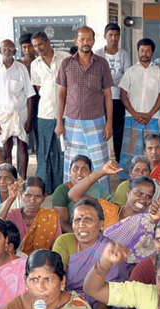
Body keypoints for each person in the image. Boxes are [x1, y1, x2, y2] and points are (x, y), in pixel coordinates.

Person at [57, 26, 115, 191]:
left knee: (100, 164)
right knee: (73, 165)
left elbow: (108, 94)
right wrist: (59, 122)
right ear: (76, 41)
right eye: (82, 39)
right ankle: (71, 199)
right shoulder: (66, 63)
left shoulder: (101, 63)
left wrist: (109, 123)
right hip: (72, 123)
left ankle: (103, 199)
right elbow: (61, 94)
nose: (86, 42)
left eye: (89, 39)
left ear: (94, 41)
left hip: (97, 122)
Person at [69, 167, 160, 264]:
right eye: (139, 193)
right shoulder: (107, 209)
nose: (143, 200)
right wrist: (102, 171)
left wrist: (156, 220)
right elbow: (74, 195)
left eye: (148, 197)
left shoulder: (148, 223)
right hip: (96, 265)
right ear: (128, 192)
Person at [118, 38, 160, 176]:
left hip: (152, 118)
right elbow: (123, 94)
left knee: (153, 151)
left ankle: (153, 177)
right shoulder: (130, 71)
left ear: (152, 52)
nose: (144, 53)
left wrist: (150, 114)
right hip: (132, 117)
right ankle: (127, 179)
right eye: (142, 50)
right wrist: (134, 113)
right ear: (138, 51)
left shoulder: (158, 72)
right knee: (131, 150)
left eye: (148, 51)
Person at [0, 39, 35, 180]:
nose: (7, 51)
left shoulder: (21, 69)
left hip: (20, 113)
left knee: (22, 146)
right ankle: (8, 177)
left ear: (15, 52)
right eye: (4, 48)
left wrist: (29, 119)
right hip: (3, 114)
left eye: (10, 49)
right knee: (6, 148)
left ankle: (23, 178)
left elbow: (29, 95)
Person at [30, 32, 68, 194]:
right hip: (44, 113)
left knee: (62, 151)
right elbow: (39, 88)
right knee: (44, 151)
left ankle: (62, 187)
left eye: (40, 44)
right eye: (35, 46)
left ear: (48, 42)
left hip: (65, 113)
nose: (38, 48)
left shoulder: (65, 58)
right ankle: (44, 187)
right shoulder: (35, 64)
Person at [95, 23, 131, 162]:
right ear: (105, 36)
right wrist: (115, 78)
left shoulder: (124, 54)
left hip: (118, 99)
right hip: (100, 99)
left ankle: (118, 161)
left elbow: (126, 76)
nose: (114, 38)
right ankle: (100, 162)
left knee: (118, 133)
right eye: (111, 35)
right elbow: (97, 77)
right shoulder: (98, 54)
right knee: (100, 131)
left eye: (116, 35)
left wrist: (107, 79)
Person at [51, 154, 112, 232]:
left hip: (98, 232)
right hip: (72, 234)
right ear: (69, 172)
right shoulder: (61, 191)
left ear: (91, 173)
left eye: (84, 169)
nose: (79, 173)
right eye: (75, 169)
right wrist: (82, 235)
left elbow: (109, 213)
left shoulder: (98, 189)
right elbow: (62, 224)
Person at [6, 177, 61, 254]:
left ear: (44, 198)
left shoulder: (51, 217)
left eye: (38, 196)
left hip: (41, 262)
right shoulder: (12, 215)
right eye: (28, 195)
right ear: (21, 194)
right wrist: (10, 199)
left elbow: (56, 247)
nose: (32, 200)